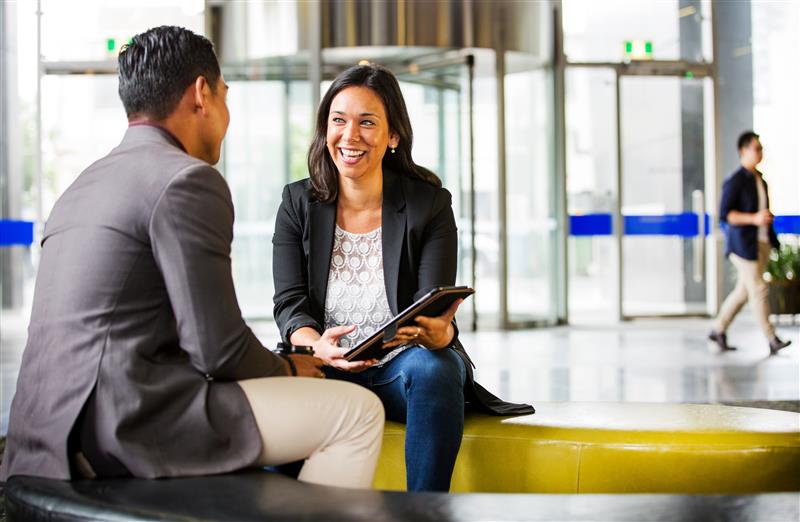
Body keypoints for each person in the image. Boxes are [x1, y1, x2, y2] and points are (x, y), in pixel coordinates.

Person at [0, 26, 384, 488]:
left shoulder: (83, 184)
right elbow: (219, 350)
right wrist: (291, 365)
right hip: (126, 423)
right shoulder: (186, 180)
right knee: (357, 413)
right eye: (225, 96)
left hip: (43, 434)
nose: (226, 113)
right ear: (202, 94)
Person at [272, 63, 534, 493]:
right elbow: (290, 303)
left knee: (436, 365)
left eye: (367, 122)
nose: (350, 135)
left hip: (401, 371)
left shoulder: (428, 204)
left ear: (393, 136)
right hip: (326, 367)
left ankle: (424, 512)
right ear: (325, 130)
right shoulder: (297, 202)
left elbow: (433, 306)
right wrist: (313, 342)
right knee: (273, 390)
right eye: (338, 120)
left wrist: (440, 335)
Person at [709, 131, 791, 355]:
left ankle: (718, 329)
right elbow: (725, 214)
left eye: (761, 148)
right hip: (743, 245)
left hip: (761, 243)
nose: (760, 152)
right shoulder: (735, 181)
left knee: (744, 292)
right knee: (759, 288)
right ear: (743, 151)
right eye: (756, 148)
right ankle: (771, 337)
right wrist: (753, 218)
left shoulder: (760, 180)